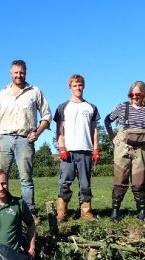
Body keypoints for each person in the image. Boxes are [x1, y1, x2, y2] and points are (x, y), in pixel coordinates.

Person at [0, 59, 52, 215]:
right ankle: (0, 210)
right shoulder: (2, 93)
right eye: (16, 73)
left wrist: (37, 132)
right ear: (10, 73)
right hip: (4, 139)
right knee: (0, 178)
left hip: (25, 139)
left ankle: (29, 212)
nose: (19, 75)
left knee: (26, 179)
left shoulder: (35, 91)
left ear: (26, 72)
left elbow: (46, 115)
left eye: (22, 72)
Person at [104, 81, 145, 221]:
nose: (134, 97)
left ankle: (141, 212)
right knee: (120, 179)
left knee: (139, 181)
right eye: (131, 94)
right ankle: (115, 212)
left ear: (144, 94)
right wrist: (112, 137)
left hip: (141, 148)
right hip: (123, 147)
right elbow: (107, 120)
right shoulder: (122, 107)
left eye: (137, 94)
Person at [54, 74, 100, 222]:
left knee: (85, 184)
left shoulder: (91, 107)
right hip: (68, 151)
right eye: (75, 85)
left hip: (86, 151)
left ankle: (86, 212)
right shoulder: (62, 107)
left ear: (83, 86)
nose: (78, 88)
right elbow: (59, 130)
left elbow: (94, 129)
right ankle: (62, 213)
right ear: (70, 87)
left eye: (80, 85)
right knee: (65, 183)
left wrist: (96, 149)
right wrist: (61, 147)